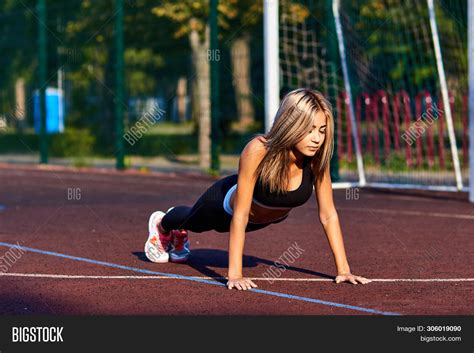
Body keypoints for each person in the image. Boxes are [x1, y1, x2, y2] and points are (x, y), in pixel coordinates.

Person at [144, 88, 372, 290]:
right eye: (310, 130)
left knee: (206, 226)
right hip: (225, 206)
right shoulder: (258, 149)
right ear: (291, 125)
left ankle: (178, 231)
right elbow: (241, 214)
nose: (317, 139)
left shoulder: (317, 159)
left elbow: (328, 214)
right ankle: (162, 225)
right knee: (195, 222)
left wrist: (344, 270)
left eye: (322, 130)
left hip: (262, 219)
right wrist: (235, 275)